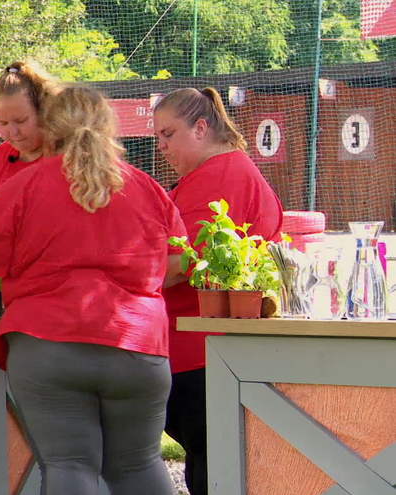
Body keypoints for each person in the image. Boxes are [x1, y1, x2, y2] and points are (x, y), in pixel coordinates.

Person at [0, 86, 185, 495]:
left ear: (50, 129)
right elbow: (177, 259)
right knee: (139, 466)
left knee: (69, 466)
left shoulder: (25, 185)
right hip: (137, 344)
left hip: (47, 343)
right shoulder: (148, 188)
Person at [154, 87, 284, 495]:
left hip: (198, 351)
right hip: (211, 350)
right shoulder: (231, 170)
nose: (161, 147)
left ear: (200, 127)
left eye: (168, 134)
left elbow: (179, 264)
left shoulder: (217, 177)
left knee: (214, 468)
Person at [0, 61, 59, 217]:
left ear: (44, 111)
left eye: (21, 120)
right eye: (3, 123)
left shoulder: (66, 156)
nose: (13, 132)